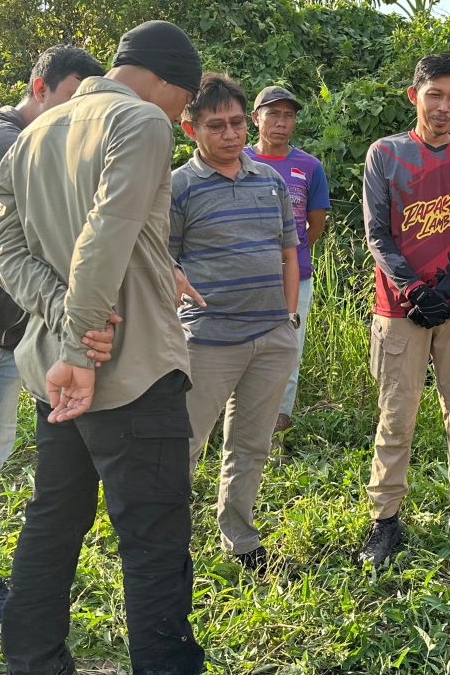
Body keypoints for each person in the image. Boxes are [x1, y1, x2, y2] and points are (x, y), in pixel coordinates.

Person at [0, 20, 206, 675]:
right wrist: (85, 349)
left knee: (53, 523)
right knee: (153, 544)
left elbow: (3, 251)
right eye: (184, 104)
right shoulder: (141, 123)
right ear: (167, 84)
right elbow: (104, 234)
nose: (181, 118)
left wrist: (63, 323)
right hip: (127, 371)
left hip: (55, 372)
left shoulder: (29, 139)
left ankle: (31, 660)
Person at [0, 45, 104, 671]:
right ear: (39, 86)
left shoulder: (41, 140)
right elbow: (47, 188)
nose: (74, 121)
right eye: (70, 102)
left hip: (7, 335)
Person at [358, 53, 450, 567]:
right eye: (435, 94)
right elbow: (377, 232)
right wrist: (415, 290)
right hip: (399, 308)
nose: (444, 106)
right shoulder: (385, 154)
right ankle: (384, 520)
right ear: (414, 95)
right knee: (397, 416)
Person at [173, 73, 300, 575]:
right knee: (184, 445)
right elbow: (161, 258)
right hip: (207, 342)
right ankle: (168, 545)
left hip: (270, 338)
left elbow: (289, 250)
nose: (229, 134)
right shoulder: (179, 187)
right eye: (215, 125)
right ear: (190, 129)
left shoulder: (269, 181)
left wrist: (287, 319)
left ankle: (240, 538)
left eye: (235, 123)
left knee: (250, 444)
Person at [245, 85, 330, 440]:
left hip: (296, 279)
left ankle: (276, 430)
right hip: (244, 279)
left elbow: (316, 224)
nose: (281, 122)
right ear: (256, 118)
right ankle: (236, 425)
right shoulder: (240, 160)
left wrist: (289, 257)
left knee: (288, 352)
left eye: (288, 115)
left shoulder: (309, 166)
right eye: (273, 114)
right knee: (240, 350)